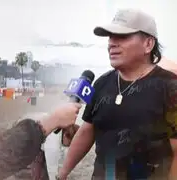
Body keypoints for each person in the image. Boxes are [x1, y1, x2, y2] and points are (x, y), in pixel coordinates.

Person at [57, 9, 177, 180]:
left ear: (148, 44)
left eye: (122, 36)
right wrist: (61, 174)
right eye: (110, 37)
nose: (111, 43)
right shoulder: (101, 84)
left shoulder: (170, 87)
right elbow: (86, 131)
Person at [0, 102, 82, 180]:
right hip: (25, 131)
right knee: (35, 166)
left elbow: (60, 157)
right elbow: (52, 168)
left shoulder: (62, 128)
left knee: (41, 164)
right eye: (69, 145)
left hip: (37, 129)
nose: (67, 147)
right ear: (67, 136)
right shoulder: (52, 143)